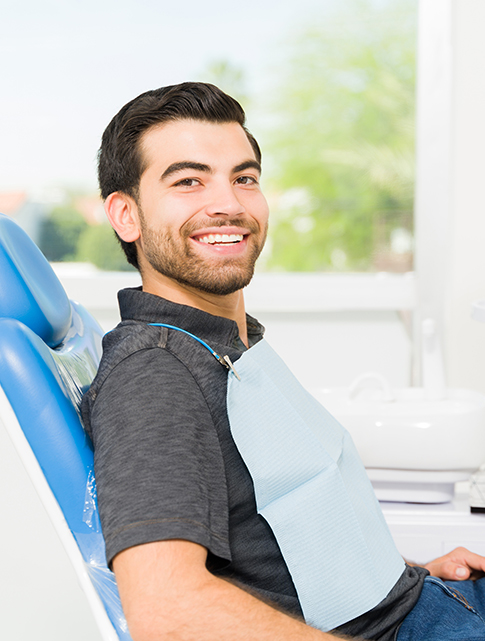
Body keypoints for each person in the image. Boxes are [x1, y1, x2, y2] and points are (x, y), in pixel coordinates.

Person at [81, 82, 485, 641]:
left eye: (243, 178)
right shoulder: (154, 373)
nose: (229, 203)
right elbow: (169, 610)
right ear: (126, 215)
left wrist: (406, 575)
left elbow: (280, 538)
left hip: (419, 600)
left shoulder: (225, 344)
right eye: (189, 181)